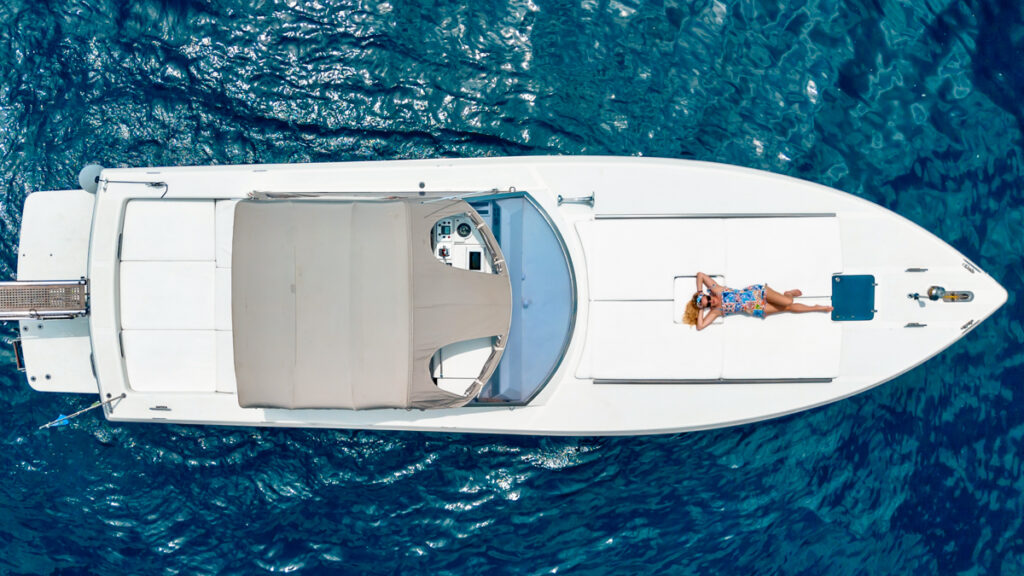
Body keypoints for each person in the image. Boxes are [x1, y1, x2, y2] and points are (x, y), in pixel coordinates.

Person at [683, 271, 833, 330]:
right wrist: (701, 309)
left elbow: (700, 275)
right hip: (754, 308)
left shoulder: (716, 290)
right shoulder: (716, 312)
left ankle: (788, 294)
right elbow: (700, 326)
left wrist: (699, 292)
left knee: (787, 302)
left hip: (757, 293)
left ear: (708, 295)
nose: (711, 302)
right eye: (707, 305)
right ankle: (817, 308)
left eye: (708, 300)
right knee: (787, 308)